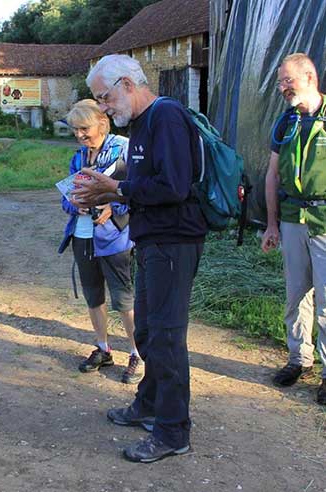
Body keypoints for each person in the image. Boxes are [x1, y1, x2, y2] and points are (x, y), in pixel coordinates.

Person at [71, 54, 208, 463]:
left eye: (105, 97)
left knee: (166, 336)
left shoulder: (165, 116)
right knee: (148, 331)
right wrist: (111, 189)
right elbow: (148, 181)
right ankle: (148, 406)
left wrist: (115, 188)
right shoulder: (143, 123)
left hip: (174, 241)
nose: (104, 107)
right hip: (151, 240)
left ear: (128, 84)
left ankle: (172, 432)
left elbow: (173, 185)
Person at [59, 99, 142, 384]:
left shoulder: (124, 149)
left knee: (124, 300)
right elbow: (65, 197)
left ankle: (137, 354)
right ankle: (103, 348)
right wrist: (76, 206)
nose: (80, 135)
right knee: (94, 296)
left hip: (115, 239)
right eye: (75, 130)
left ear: (102, 123)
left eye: (85, 128)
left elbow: (139, 193)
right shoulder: (79, 157)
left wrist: (113, 208)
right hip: (82, 236)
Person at [261, 52, 326, 405]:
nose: (283, 87)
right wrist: (271, 224)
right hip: (291, 219)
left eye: (288, 80)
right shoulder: (285, 123)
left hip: (325, 219)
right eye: (280, 82)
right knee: (296, 293)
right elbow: (272, 174)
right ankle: (298, 360)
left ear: (310, 77)